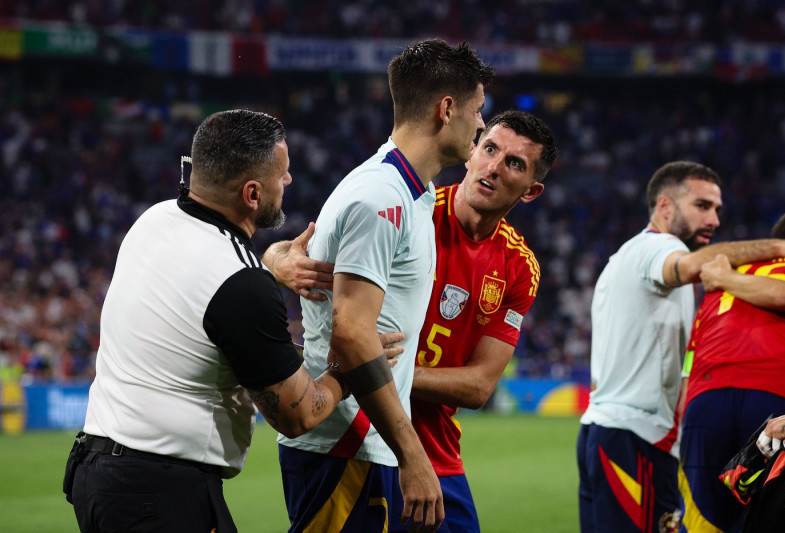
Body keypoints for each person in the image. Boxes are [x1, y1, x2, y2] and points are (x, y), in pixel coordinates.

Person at [64, 109, 359, 533]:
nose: (289, 181)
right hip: (159, 494)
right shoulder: (240, 280)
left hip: (98, 474)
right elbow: (297, 415)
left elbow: (219, 337)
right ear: (252, 194)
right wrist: (346, 369)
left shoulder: (153, 220)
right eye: (284, 173)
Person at [266, 109, 557, 532]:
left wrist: (377, 367)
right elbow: (302, 241)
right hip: (360, 433)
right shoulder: (410, 205)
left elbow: (479, 386)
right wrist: (277, 260)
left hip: (436, 451)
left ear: (530, 191)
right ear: (472, 151)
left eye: (514, 163)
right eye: (490, 149)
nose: (494, 167)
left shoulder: (519, 267)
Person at [273, 38, 494, 533]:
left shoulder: (414, 194)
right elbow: (351, 334)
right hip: (344, 446)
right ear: (447, 108)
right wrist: (414, 454)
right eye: (479, 110)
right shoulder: (381, 197)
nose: (482, 124)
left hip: (364, 444)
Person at [576, 161, 785, 533]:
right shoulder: (655, 248)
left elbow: (687, 368)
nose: (713, 219)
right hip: (634, 435)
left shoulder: (636, 263)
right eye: (702, 206)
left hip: (625, 430)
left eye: (717, 209)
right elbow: (691, 266)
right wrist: (780, 246)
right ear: (665, 206)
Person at [679, 207, 785, 532]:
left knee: (704, 519)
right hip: (777, 399)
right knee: (771, 518)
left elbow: (689, 364)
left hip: (704, 401)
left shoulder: (725, 278)